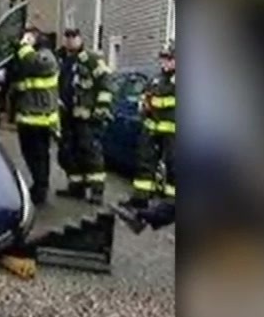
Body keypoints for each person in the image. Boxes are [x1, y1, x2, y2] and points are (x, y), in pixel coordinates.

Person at [55, 28, 113, 204]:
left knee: (90, 153)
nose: (70, 40)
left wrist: (100, 109)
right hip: (67, 116)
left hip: (87, 118)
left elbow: (106, 83)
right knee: (68, 153)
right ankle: (76, 187)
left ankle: (96, 192)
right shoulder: (62, 60)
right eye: (67, 37)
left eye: (74, 37)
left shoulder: (91, 60)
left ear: (80, 39)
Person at [8, 26, 60, 205]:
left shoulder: (47, 56)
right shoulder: (25, 56)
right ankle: (37, 185)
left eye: (28, 36)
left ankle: (41, 188)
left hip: (41, 119)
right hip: (26, 117)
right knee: (29, 155)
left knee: (39, 156)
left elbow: (36, 64)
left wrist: (23, 47)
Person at [123, 42, 176, 210]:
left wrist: (152, 102)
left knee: (174, 168)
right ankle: (140, 199)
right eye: (163, 58)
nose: (164, 62)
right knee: (144, 164)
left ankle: (171, 205)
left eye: (169, 59)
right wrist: (143, 103)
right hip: (151, 128)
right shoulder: (156, 78)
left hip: (172, 132)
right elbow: (145, 96)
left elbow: (162, 102)